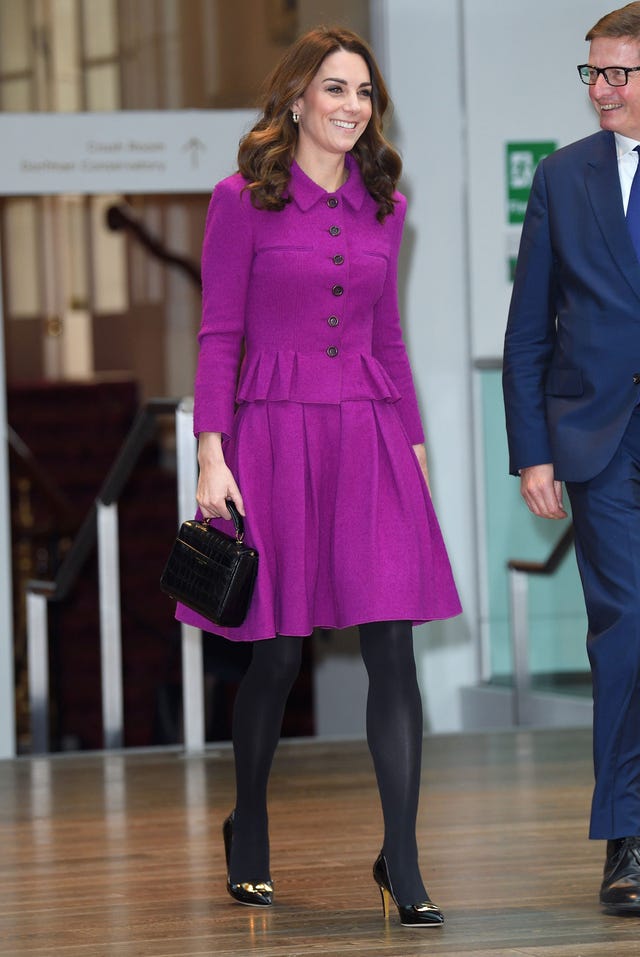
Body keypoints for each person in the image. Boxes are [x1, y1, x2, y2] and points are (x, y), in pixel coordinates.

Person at [176, 25, 461, 927]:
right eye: (334, 89)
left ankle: (403, 857)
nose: (351, 107)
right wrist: (210, 452)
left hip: (369, 434)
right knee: (276, 653)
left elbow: (390, 338)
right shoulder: (239, 200)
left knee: (393, 646)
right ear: (297, 99)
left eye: (364, 93)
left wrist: (414, 448)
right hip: (271, 437)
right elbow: (220, 334)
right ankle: (248, 821)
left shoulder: (387, 204)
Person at [503, 0, 640, 916]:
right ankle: (626, 836)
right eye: (590, 71)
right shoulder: (561, 178)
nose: (599, 89)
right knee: (628, 626)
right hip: (599, 443)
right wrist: (532, 452)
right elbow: (526, 333)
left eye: (617, 73)